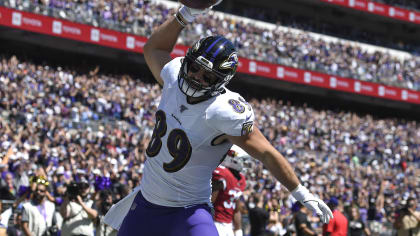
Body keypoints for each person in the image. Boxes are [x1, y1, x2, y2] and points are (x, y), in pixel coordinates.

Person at [104, 2, 333, 235]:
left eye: (207, 76)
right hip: (146, 204)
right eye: (194, 68)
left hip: (189, 211)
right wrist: (185, 14)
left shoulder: (224, 110)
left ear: (222, 81)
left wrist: (300, 191)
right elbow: (153, 49)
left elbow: (266, 152)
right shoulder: (174, 75)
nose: (197, 77)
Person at [211, 145, 247, 236]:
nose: (245, 163)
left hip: (229, 225)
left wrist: (238, 230)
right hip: (216, 222)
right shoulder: (223, 174)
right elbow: (210, 202)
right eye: (244, 160)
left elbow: (237, 210)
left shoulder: (241, 179)